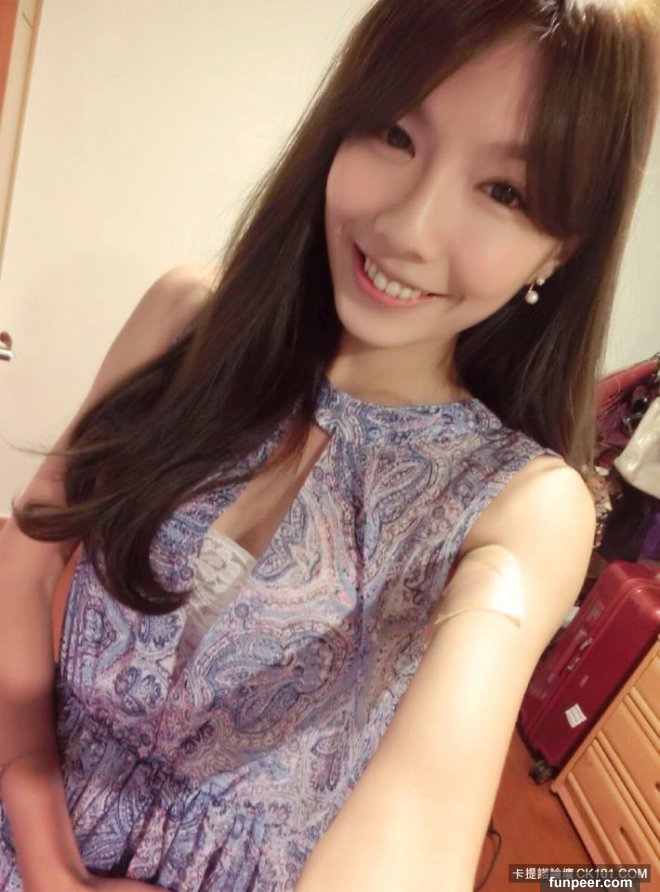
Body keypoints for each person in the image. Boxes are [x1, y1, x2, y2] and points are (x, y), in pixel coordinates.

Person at [0, 0, 658, 889]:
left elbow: (421, 823)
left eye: (505, 191)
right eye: (395, 133)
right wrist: (43, 840)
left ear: (561, 249)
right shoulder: (186, 324)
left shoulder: (521, 506)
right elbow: (26, 557)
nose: (407, 229)